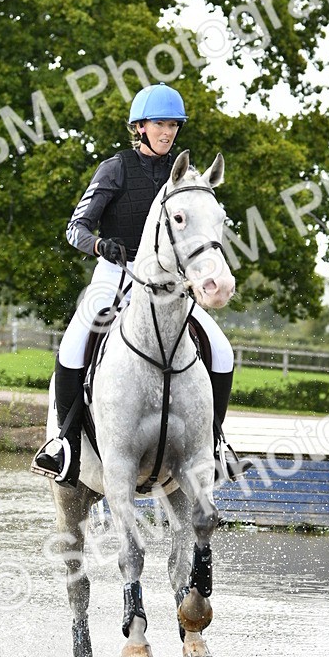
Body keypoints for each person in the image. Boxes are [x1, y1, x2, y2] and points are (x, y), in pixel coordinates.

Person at [31, 82, 236, 487]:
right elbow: (76, 228)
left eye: (173, 125)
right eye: (159, 124)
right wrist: (98, 244)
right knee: (75, 344)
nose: (167, 132)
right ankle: (65, 444)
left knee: (223, 352)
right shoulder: (116, 168)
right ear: (139, 126)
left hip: (169, 286)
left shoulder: (186, 176)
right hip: (116, 273)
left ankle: (214, 444)